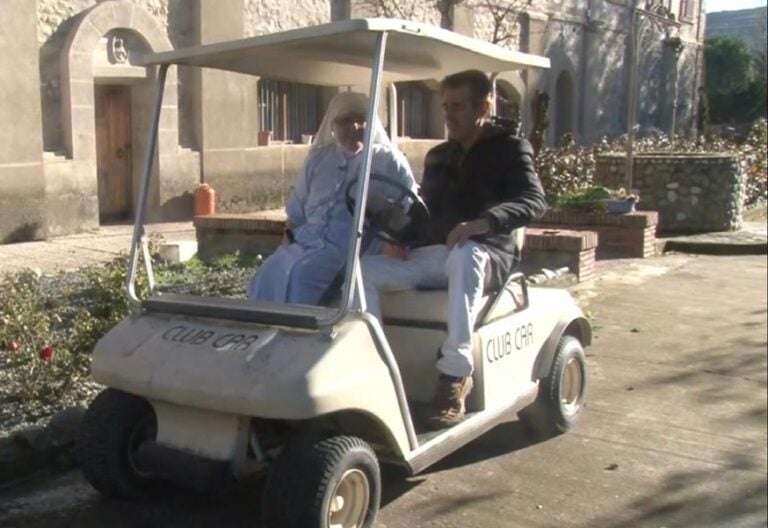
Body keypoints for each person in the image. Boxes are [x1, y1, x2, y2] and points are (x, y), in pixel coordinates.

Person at [360, 70, 547, 428]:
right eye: (445, 107)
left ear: (484, 105)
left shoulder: (510, 149)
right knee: (363, 269)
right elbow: (427, 214)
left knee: (465, 252)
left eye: (458, 107)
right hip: (438, 253)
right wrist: (403, 237)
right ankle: (375, 364)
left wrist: (484, 222)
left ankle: (455, 375)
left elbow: (534, 200)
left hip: (487, 252)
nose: (448, 115)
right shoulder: (438, 156)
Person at [247, 92, 416, 305]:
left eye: (360, 119)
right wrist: (287, 241)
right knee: (265, 274)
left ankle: (303, 336)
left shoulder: (388, 160)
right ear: (333, 125)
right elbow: (297, 212)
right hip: (307, 241)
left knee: (303, 277)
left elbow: (408, 208)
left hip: (350, 247)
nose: (354, 127)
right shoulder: (318, 159)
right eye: (345, 120)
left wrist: (393, 241)